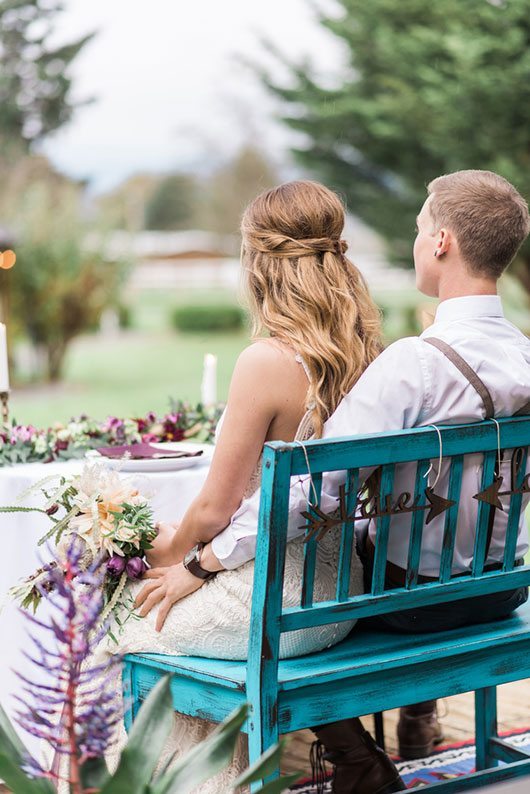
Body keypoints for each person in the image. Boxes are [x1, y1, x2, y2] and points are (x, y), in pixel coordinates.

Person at [204, 170, 530, 794]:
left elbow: (311, 491)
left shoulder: (414, 363)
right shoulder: (521, 353)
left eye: (415, 230)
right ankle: (411, 723)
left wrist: (206, 560)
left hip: (414, 603)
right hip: (502, 590)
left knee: (315, 563)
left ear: (440, 243)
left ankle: (356, 754)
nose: (413, 243)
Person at [95, 180, 395, 792]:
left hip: (275, 606)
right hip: (340, 598)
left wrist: (166, 558)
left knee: (110, 616)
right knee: (164, 599)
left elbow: (217, 507)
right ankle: (353, 755)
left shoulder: (266, 361)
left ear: (260, 262)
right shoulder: (369, 350)